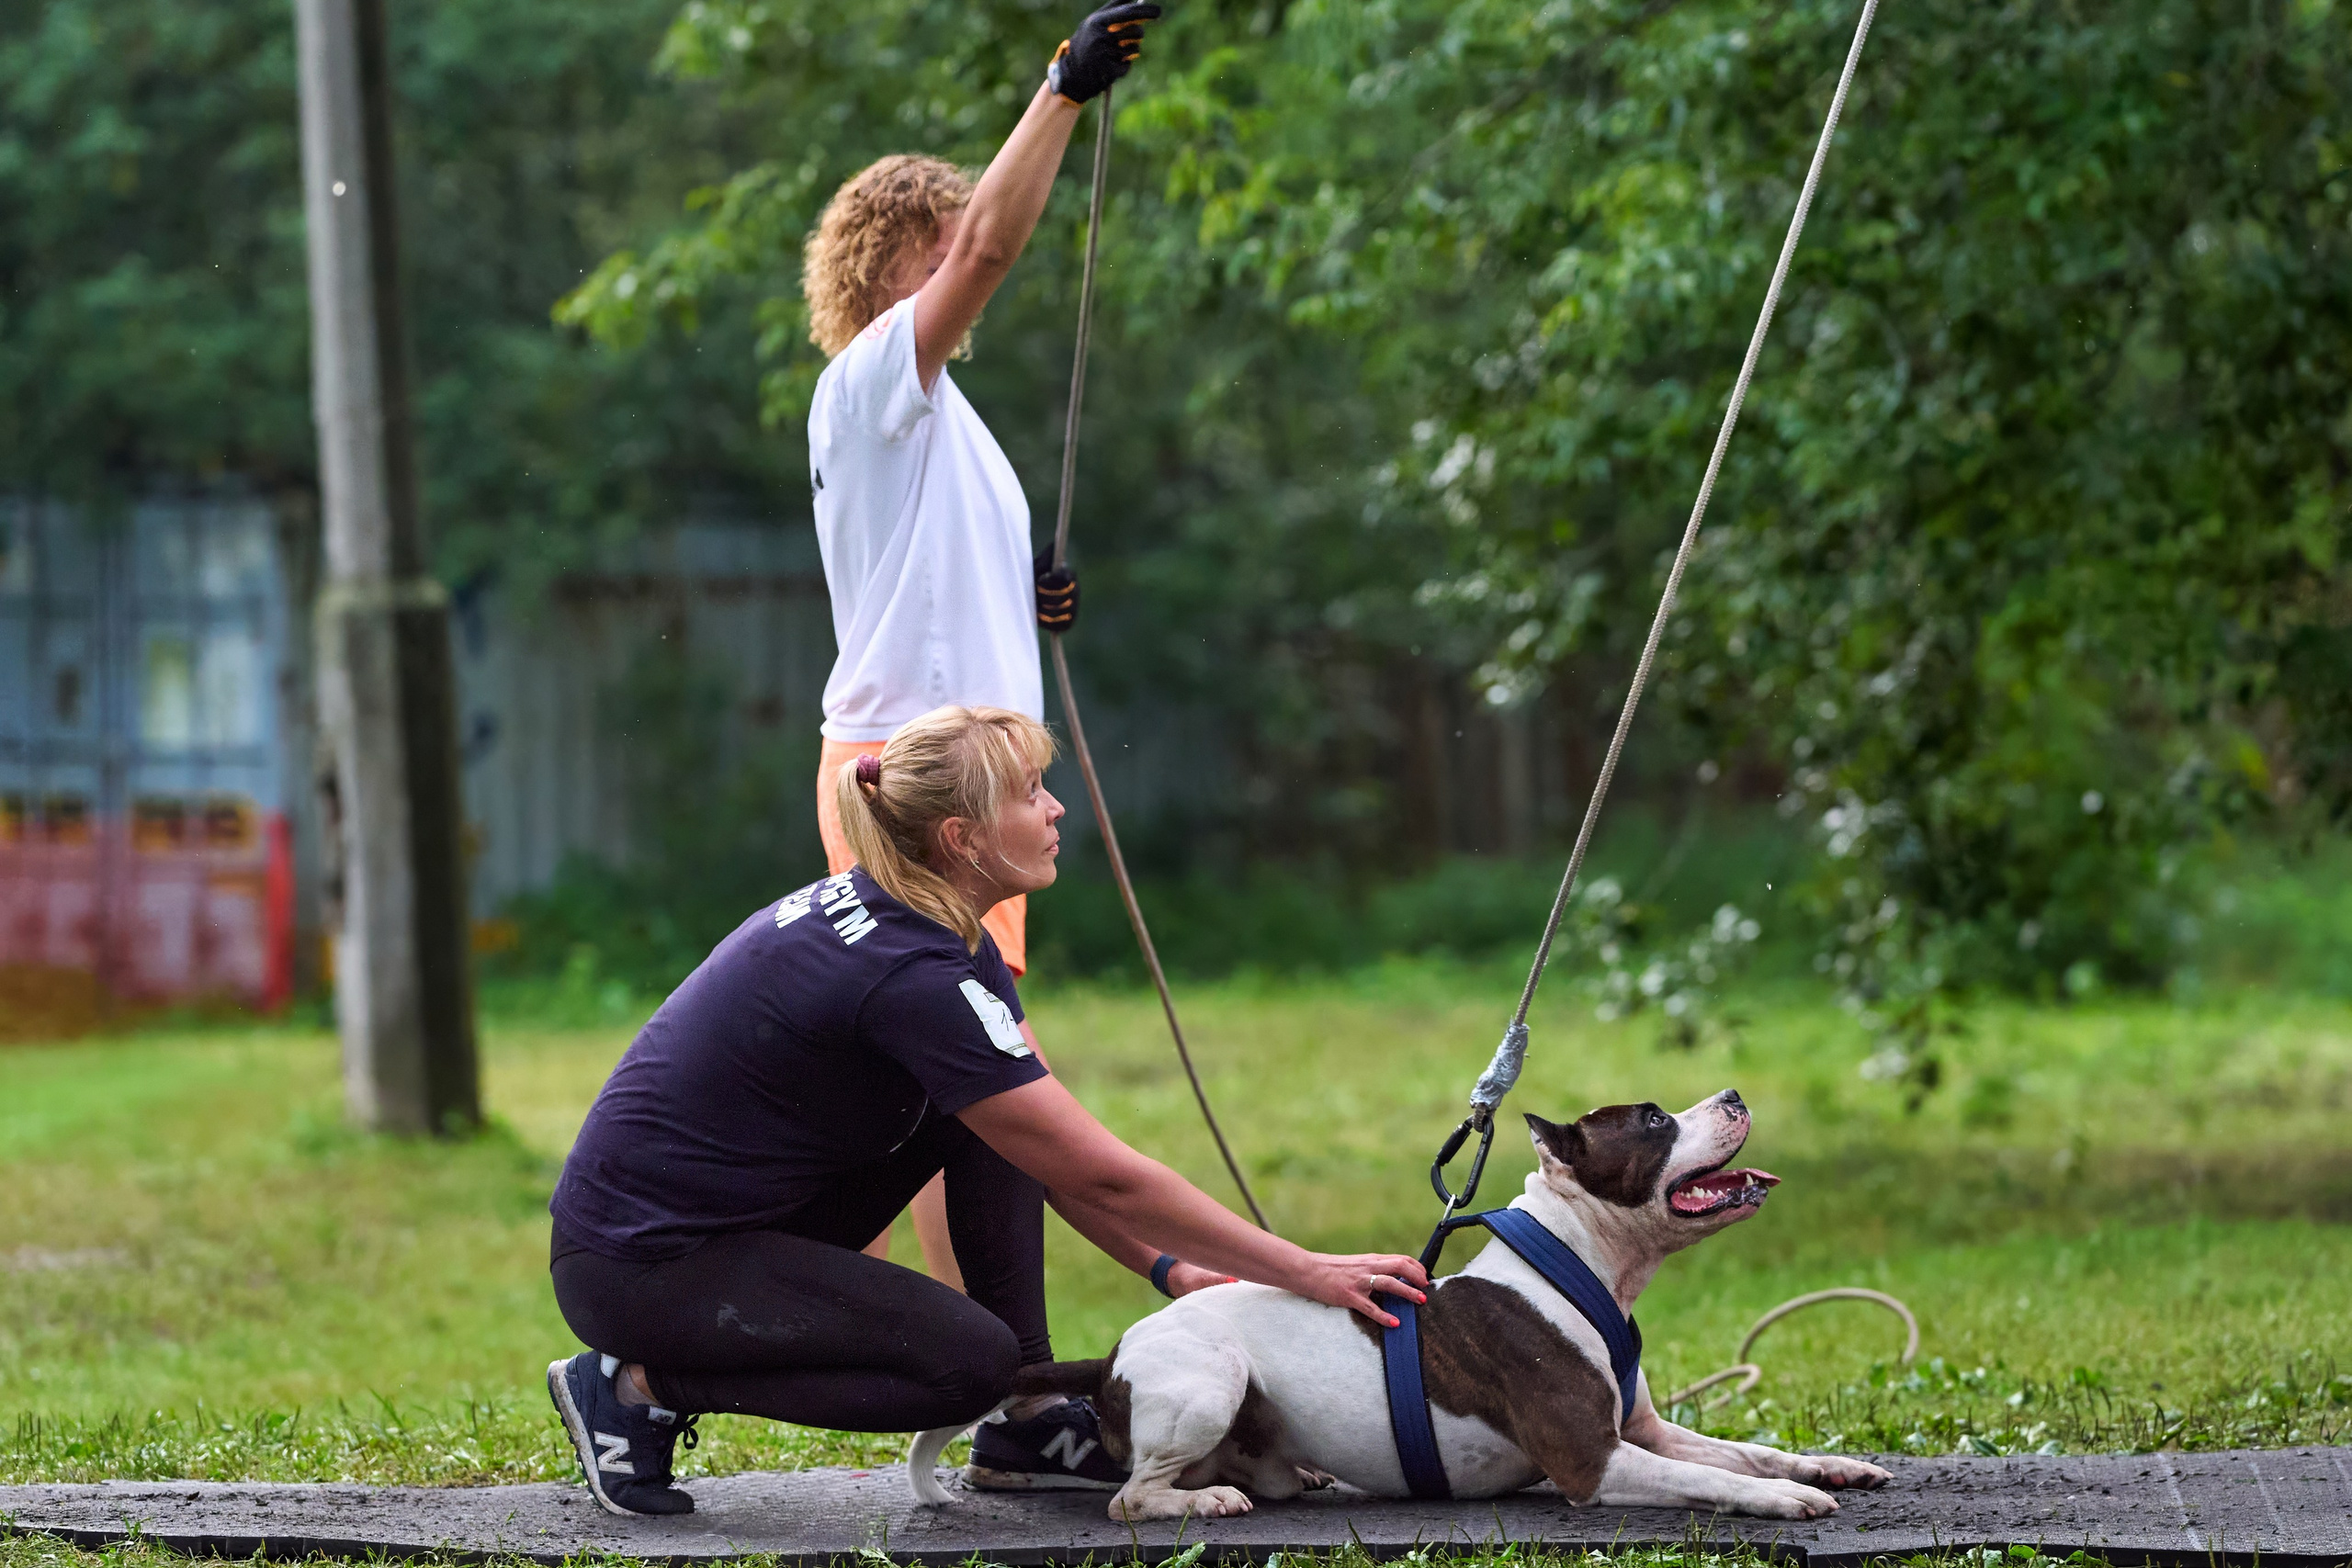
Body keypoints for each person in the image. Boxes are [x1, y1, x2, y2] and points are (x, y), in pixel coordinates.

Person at [545, 706, 1430, 1517]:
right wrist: (1307, 1269)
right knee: (964, 1366)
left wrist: (1172, 1270)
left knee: (992, 1113)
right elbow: (1104, 1175)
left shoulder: (936, 929)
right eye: (1031, 792)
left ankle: (1030, 1420)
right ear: (962, 838)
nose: (1056, 809)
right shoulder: (909, 972)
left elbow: (1050, 1149)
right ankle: (636, 1388)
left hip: (740, 1219)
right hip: (641, 1264)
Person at [802, 5, 1140, 1286]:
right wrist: (1062, 89)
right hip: (917, 777)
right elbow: (997, 243)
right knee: (967, 1087)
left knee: (947, 1092)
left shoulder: (935, 413)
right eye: (940, 241)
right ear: (890, 261)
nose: (971, 254)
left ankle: (971, 1362)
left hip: (962, 773)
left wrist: (1021, 597)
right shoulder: (875, 380)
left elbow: (931, 580)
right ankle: (947, 1351)